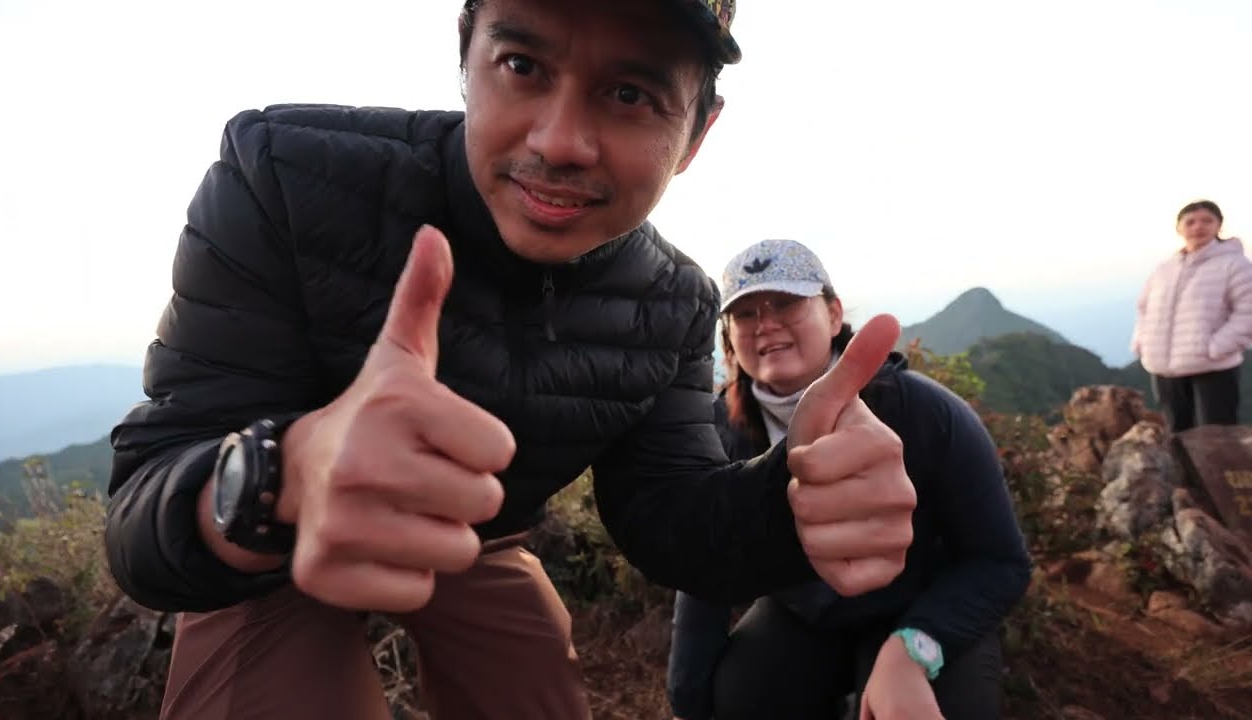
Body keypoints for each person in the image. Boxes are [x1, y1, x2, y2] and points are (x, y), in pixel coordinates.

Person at [103, 2, 920, 719]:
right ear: (467, 55)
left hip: (476, 540)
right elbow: (143, 506)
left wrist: (790, 502)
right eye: (522, 64)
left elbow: (669, 517)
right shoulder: (282, 175)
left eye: (630, 94)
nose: (561, 142)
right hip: (268, 547)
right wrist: (285, 475)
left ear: (696, 133)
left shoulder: (670, 302)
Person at [666, 239, 1033, 720]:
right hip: (805, 613)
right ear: (729, 339)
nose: (766, 323)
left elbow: (1000, 561)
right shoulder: (718, 432)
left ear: (834, 315)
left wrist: (914, 650)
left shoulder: (927, 415)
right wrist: (689, 702)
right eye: (746, 313)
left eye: (786, 303)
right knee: (738, 699)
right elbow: (704, 567)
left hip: (926, 607)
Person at [1131, 199, 1252, 433]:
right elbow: (1144, 309)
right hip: (1164, 368)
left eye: (1207, 220)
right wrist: (1142, 343)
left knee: (1217, 436)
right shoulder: (1165, 269)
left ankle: (1221, 472)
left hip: (1213, 367)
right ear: (1179, 228)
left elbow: (1247, 312)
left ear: (1219, 226)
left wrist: (1215, 347)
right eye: (1190, 221)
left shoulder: (1235, 265)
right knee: (1176, 435)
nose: (1198, 227)